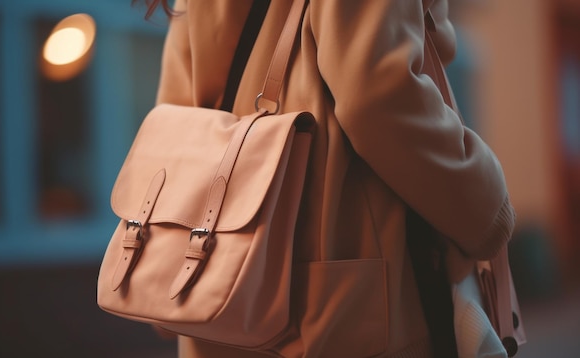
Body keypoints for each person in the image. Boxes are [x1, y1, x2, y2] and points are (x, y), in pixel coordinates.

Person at [137, 0, 516, 356]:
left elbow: (179, 117)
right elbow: (379, 96)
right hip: (339, 303)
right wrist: (487, 208)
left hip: (220, 303)